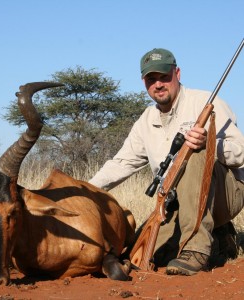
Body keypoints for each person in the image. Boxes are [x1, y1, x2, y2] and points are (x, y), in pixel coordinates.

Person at [89, 48, 244, 276]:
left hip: (227, 194)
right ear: (144, 82)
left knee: (194, 151)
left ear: (177, 74)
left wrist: (209, 144)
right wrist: (81, 189)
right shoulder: (146, 120)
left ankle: (197, 249)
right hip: (178, 202)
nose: (158, 84)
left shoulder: (205, 102)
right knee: (140, 254)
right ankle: (221, 239)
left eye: (164, 77)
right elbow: (120, 164)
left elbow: (241, 153)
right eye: (152, 79)